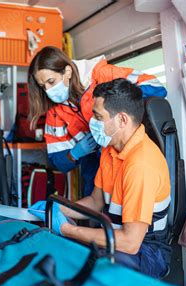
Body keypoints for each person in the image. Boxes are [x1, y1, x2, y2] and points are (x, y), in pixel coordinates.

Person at [30, 79, 172, 278]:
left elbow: (130, 243)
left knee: (86, 271)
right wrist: (54, 208)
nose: (92, 123)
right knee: (63, 255)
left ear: (122, 120)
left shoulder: (141, 164)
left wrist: (67, 229)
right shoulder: (110, 149)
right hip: (118, 238)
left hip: (147, 251)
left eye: (98, 116)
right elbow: (95, 202)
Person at [28, 46, 167, 196]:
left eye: (51, 81)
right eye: (43, 86)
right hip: (93, 173)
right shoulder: (54, 112)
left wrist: (113, 105)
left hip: (125, 160)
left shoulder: (100, 74)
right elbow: (57, 161)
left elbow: (156, 87)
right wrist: (75, 153)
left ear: (67, 72)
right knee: (96, 211)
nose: (48, 90)